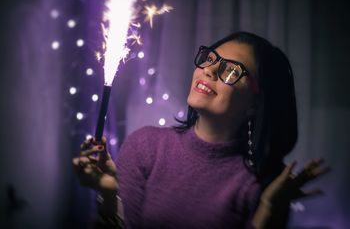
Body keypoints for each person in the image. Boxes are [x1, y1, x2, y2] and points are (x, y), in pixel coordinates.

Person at [73, 31, 330, 229]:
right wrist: (108, 194)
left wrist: (267, 210)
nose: (209, 70)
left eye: (231, 70)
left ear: (255, 104)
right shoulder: (145, 146)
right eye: (210, 58)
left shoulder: (265, 184)